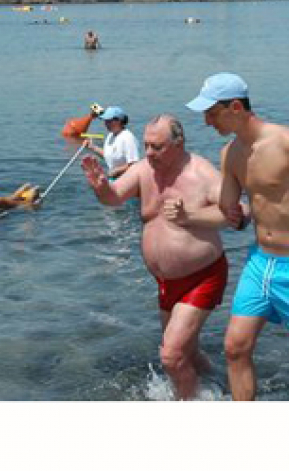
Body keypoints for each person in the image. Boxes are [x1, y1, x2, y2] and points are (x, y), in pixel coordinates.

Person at [186, 72, 289, 401]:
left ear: (235, 107)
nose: (206, 121)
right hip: (260, 263)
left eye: (211, 113)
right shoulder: (230, 154)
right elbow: (230, 212)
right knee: (235, 347)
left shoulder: (288, 143)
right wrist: (193, 214)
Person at [81, 115, 244, 400]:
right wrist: (101, 187)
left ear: (178, 144)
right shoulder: (145, 170)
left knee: (171, 356)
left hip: (202, 276)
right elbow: (115, 197)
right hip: (165, 281)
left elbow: (239, 212)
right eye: (146, 146)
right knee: (187, 351)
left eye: (156, 147)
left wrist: (190, 216)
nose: (148, 153)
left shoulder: (201, 173)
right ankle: (220, 388)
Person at [86, 106, 142, 179]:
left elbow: (134, 164)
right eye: (105, 121)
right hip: (113, 179)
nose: (105, 124)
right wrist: (92, 147)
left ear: (119, 121)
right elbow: (109, 155)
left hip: (127, 181)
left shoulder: (128, 138)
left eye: (109, 121)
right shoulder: (110, 135)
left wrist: (116, 171)